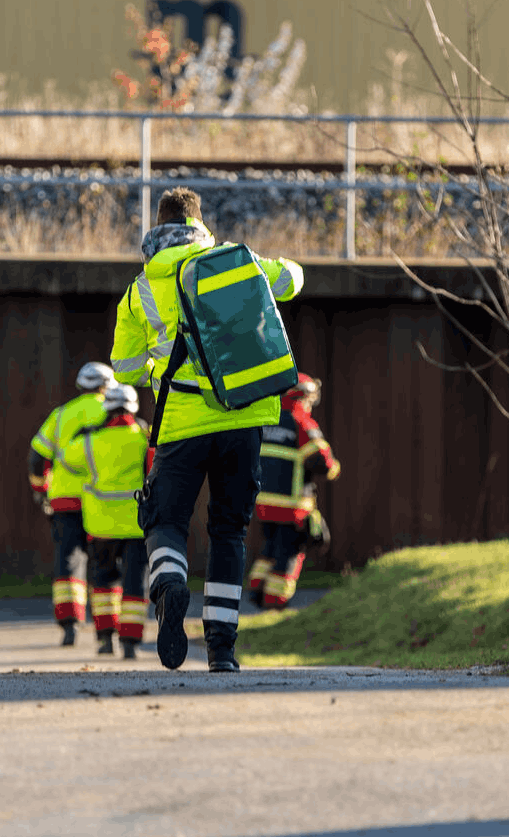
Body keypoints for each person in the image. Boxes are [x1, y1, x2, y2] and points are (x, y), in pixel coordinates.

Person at [111, 187, 304, 672]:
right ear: (201, 223)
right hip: (247, 417)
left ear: (156, 228)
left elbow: (126, 370)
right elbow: (293, 281)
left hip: (182, 422)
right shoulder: (237, 261)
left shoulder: (141, 288)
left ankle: (171, 583)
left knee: (165, 520)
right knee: (229, 532)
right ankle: (222, 649)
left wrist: (159, 354)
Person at [28, 361, 116, 646]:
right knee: (106, 562)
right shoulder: (112, 412)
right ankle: (107, 632)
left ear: (81, 385)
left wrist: (40, 490)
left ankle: (70, 626)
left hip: (65, 499)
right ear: (107, 386)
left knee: (69, 559)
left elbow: (36, 456)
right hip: (103, 498)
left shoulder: (62, 414)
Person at [64, 382, 152, 659]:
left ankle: (105, 638)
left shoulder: (89, 441)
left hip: (100, 525)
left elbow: (67, 459)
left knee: (103, 581)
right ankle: (130, 642)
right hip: (137, 525)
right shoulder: (144, 438)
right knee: (135, 583)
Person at [248, 374, 340, 610]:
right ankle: (275, 603)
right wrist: (334, 468)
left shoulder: (266, 421)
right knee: (289, 554)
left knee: (270, 548)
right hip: (292, 506)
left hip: (264, 504)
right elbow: (322, 462)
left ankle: (256, 589)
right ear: (301, 397)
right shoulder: (301, 422)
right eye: (309, 399)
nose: (310, 405)